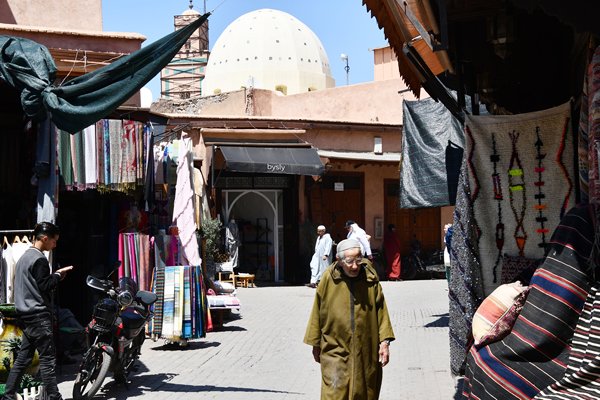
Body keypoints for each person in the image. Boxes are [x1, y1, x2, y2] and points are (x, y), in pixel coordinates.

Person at [304, 238, 395, 399]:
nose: (355, 266)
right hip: (334, 348)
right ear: (339, 261)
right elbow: (317, 311)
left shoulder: (370, 279)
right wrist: (315, 342)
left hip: (366, 349)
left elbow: (381, 310)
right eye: (349, 261)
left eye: (358, 259)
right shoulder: (328, 279)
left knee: (365, 391)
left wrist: (385, 342)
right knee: (334, 392)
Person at [3, 222, 73, 400]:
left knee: (23, 359)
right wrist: (57, 275)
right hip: (38, 316)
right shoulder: (39, 259)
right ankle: (54, 397)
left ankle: (9, 395)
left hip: (26, 316)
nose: (55, 245)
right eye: (53, 241)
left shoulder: (25, 257)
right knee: (47, 361)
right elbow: (45, 285)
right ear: (44, 238)